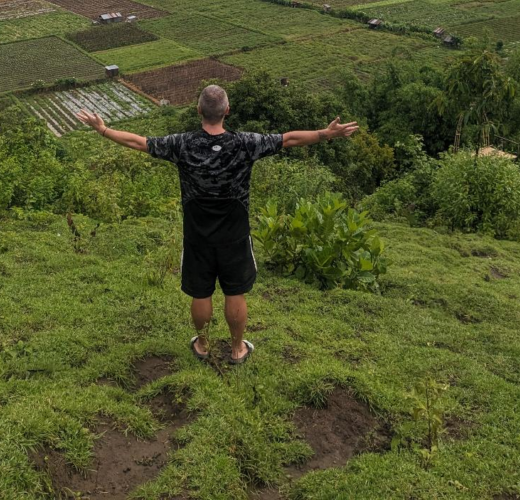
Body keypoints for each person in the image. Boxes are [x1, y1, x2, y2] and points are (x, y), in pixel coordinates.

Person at [77, 85, 358, 365]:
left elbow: (140, 142)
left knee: (201, 291)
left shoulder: (182, 143)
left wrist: (103, 130)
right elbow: (289, 139)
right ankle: (237, 349)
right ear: (227, 110)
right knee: (235, 291)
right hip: (234, 231)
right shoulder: (245, 143)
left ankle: (202, 344)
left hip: (197, 231)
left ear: (199, 110)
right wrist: (325, 133)